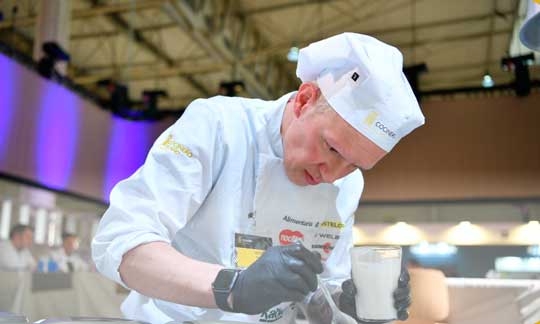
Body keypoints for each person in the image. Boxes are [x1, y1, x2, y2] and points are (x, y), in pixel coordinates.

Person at [92, 33, 425, 324]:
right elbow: (122, 242)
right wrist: (233, 286)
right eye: (332, 148)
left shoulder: (347, 184)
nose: (332, 175)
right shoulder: (219, 126)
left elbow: (319, 291)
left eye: (354, 165)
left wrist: (350, 304)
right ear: (305, 100)